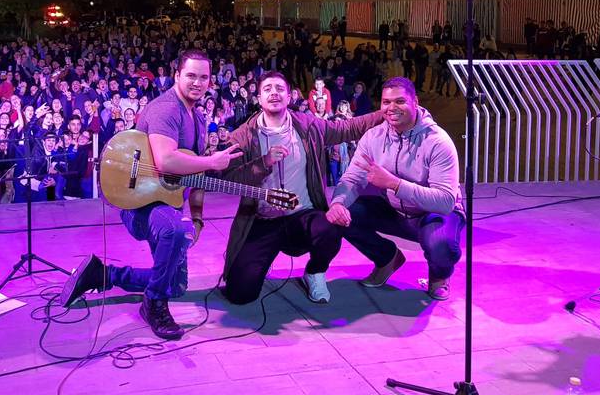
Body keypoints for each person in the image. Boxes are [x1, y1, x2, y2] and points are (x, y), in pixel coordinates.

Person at [58, 49, 242, 340]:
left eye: (204, 77)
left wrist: (196, 217)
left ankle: (103, 275)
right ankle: (154, 303)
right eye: (191, 75)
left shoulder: (197, 117)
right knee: (172, 232)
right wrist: (211, 161)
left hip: (166, 202)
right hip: (138, 202)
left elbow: (195, 177)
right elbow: (166, 161)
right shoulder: (166, 108)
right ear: (177, 75)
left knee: (177, 285)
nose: (197, 82)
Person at [217, 71, 383, 304]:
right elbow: (229, 180)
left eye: (279, 88)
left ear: (289, 96)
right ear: (259, 98)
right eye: (267, 89)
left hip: (302, 215)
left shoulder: (307, 125)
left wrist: (383, 113)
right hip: (263, 220)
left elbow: (347, 129)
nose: (274, 93)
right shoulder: (242, 136)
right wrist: (263, 163)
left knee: (330, 226)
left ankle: (315, 272)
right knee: (240, 293)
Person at [327, 77, 463, 300]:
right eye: (386, 102)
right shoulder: (373, 137)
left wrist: (394, 184)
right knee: (343, 215)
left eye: (400, 101)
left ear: (415, 102)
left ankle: (439, 276)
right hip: (395, 211)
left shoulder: (438, 142)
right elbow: (352, 179)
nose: (391, 108)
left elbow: (445, 202)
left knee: (442, 246)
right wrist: (337, 203)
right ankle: (387, 258)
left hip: (433, 214)